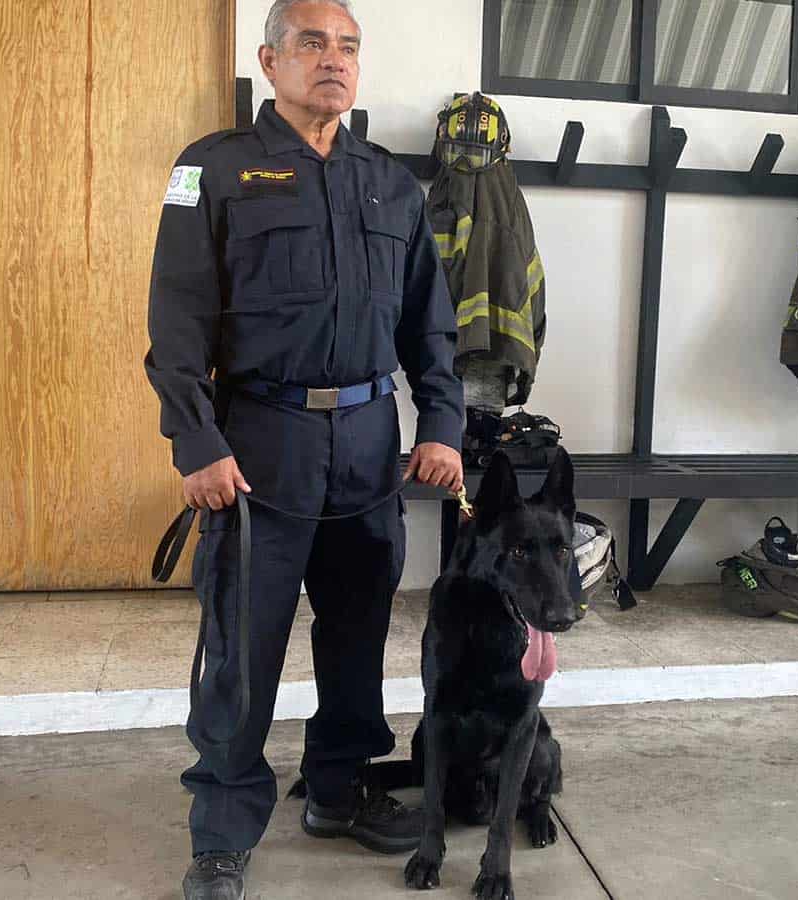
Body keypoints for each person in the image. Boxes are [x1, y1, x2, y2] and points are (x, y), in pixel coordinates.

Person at [143, 2, 464, 897]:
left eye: (348, 47)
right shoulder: (210, 171)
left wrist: (441, 424)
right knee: (243, 645)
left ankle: (338, 788)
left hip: (367, 445)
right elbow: (175, 320)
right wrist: (194, 440)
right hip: (260, 445)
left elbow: (428, 324)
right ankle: (222, 828)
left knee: (358, 631)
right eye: (313, 44)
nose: (334, 61)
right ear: (270, 60)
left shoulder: (391, 183)